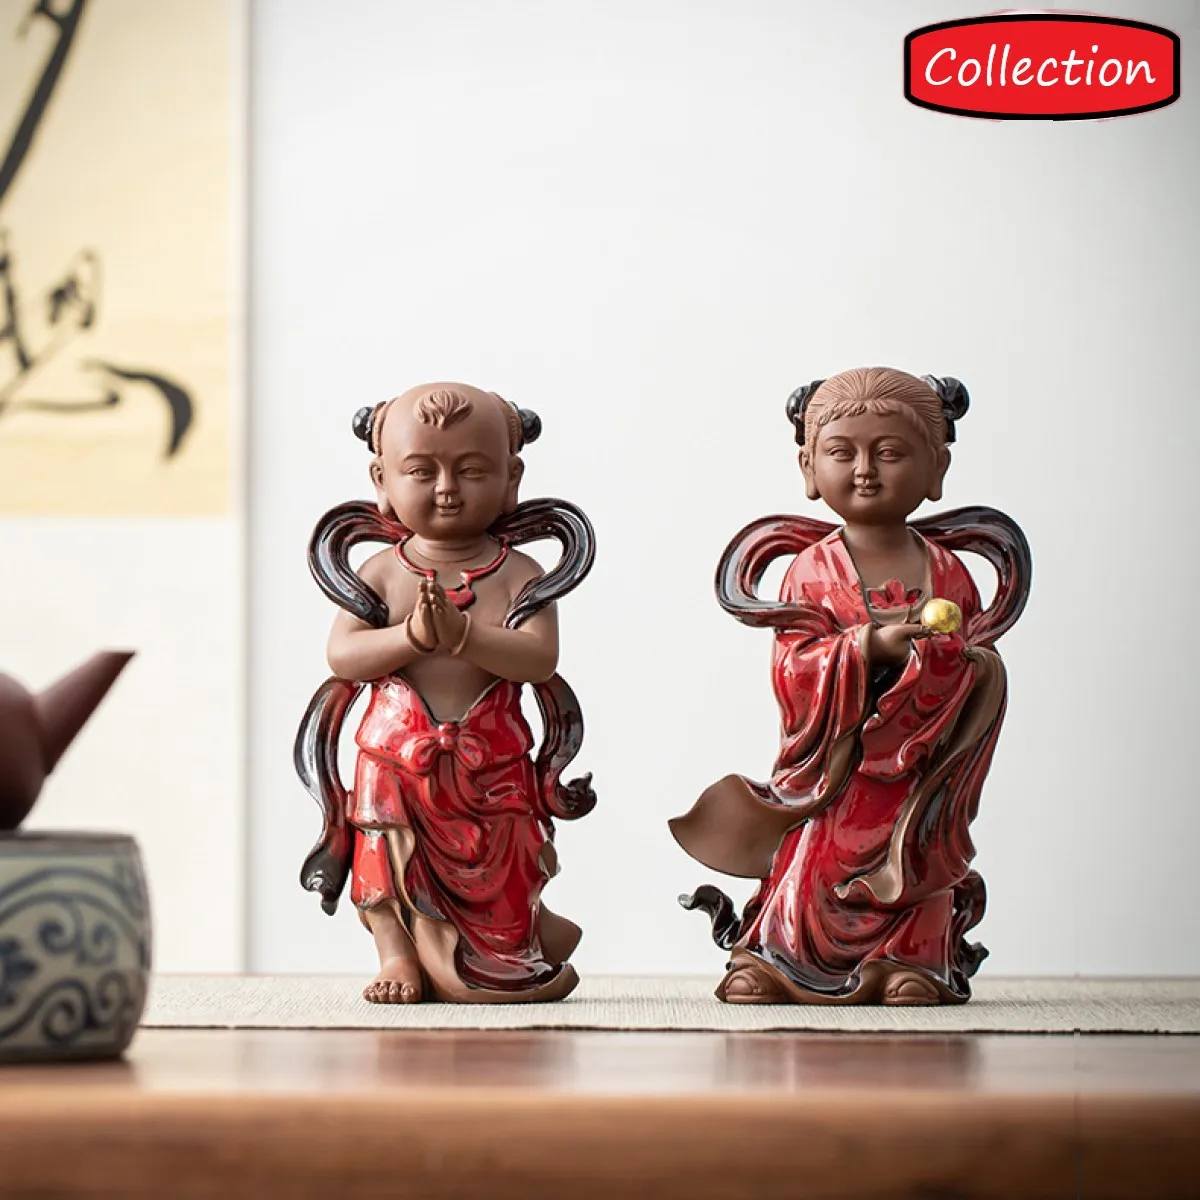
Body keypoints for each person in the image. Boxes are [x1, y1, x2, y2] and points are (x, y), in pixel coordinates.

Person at [671, 367, 1030, 1005]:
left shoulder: (947, 571)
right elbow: (794, 668)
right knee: (814, 857)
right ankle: (778, 959)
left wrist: (944, 664)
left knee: (916, 860)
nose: (865, 471)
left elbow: (975, 660)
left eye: (889, 453)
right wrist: (865, 648)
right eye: (843, 453)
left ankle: (913, 962)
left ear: (937, 469)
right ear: (809, 468)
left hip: (916, 772)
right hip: (840, 770)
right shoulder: (813, 569)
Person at [296, 382, 595, 1004]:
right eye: (421, 471)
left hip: (492, 757)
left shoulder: (519, 574)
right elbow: (343, 654)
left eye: (472, 470)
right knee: (384, 854)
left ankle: (514, 942)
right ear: (381, 480)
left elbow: (540, 658)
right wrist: (410, 635)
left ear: (511, 479)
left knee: (506, 857)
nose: (446, 488)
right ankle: (398, 954)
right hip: (395, 756)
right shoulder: (383, 572)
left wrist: (463, 635)